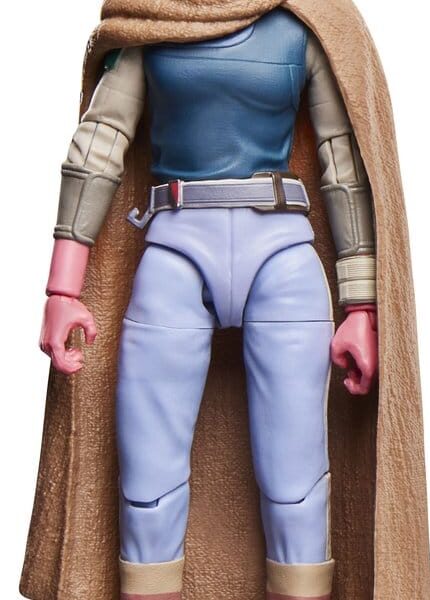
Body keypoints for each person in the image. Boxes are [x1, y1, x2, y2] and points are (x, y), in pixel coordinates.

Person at [39, 7, 378, 600]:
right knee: (147, 484)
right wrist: (61, 288)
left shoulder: (304, 26)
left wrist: (362, 305)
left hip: (281, 252)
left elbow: (343, 163)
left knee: (296, 487)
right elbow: (99, 144)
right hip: (176, 246)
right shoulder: (153, 21)